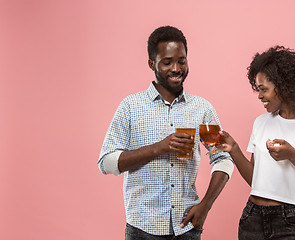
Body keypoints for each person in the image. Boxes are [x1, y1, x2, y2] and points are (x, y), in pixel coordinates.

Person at [97, 26, 234, 240]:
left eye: (181, 60)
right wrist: (158, 148)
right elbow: (106, 163)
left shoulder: (201, 109)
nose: (176, 68)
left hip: (186, 227)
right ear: (152, 64)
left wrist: (205, 206)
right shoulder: (131, 106)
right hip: (142, 228)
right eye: (167, 62)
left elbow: (223, 159)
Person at [218, 46, 295, 239]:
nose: (259, 96)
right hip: (252, 217)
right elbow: (255, 181)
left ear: (283, 86)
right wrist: (234, 149)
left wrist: (293, 155)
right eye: (258, 89)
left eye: (264, 89)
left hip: (290, 222)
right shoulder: (261, 122)